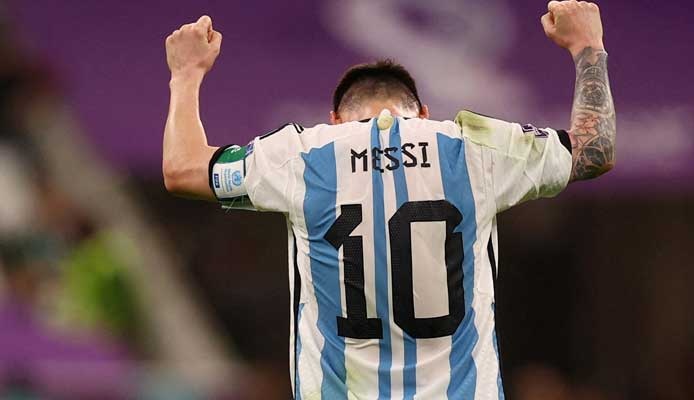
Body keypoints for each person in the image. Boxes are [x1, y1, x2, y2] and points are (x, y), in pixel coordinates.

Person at [162, 1, 615, 398]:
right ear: (423, 114)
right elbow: (593, 152)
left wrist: (186, 74)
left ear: (335, 120)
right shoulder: (472, 149)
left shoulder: (302, 154)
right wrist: (587, 45)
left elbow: (182, 169)